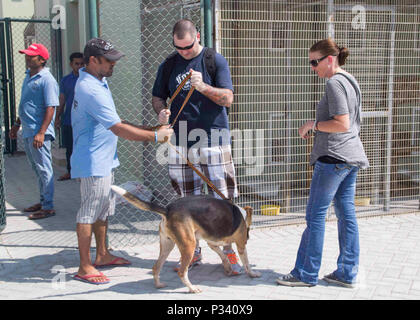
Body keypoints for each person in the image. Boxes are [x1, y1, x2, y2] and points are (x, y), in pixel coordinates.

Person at [71, 38, 173, 285]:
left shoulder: (98, 81)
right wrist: (156, 136)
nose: (114, 65)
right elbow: (118, 128)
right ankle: (85, 266)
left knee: (102, 209)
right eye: (109, 61)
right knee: (88, 212)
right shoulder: (91, 89)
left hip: (103, 159)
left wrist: (150, 128)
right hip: (93, 161)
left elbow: (116, 120)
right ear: (93, 60)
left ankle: (102, 254)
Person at [276, 38, 369, 288]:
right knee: (346, 214)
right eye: (310, 62)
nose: (312, 67)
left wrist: (312, 125)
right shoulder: (351, 80)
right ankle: (347, 273)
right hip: (350, 156)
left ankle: (305, 273)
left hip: (334, 157)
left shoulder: (335, 84)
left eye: (315, 62)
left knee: (315, 216)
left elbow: (342, 123)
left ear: (330, 59)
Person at [152, 19, 241, 274]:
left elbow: (228, 98)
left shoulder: (214, 60)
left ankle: (229, 251)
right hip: (180, 141)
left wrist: (202, 87)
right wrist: (161, 112)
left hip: (213, 138)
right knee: (185, 200)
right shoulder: (169, 64)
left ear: (197, 37)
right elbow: (158, 96)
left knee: (222, 198)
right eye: (179, 48)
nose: (184, 52)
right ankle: (192, 251)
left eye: (188, 47)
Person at [9, 43, 59, 220]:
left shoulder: (47, 79)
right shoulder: (28, 76)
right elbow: (26, 104)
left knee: (45, 169)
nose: (28, 58)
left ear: (42, 59)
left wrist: (41, 132)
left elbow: (51, 107)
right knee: (37, 169)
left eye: (32, 56)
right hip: (29, 131)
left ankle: (48, 206)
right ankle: (43, 200)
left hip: (39, 133)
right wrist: (17, 124)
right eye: (27, 55)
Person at [54, 52, 84, 181]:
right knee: (70, 148)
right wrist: (57, 117)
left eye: (82, 63)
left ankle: (84, 173)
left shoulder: (87, 79)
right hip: (69, 120)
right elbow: (62, 100)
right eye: (76, 64)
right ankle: (70, 172)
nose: (79, 66)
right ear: (71, 64)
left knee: (83, 146)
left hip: (84, 120)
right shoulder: (65, 80)